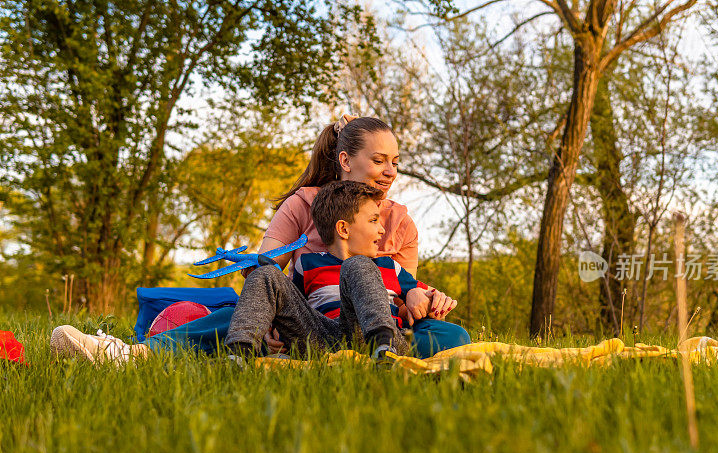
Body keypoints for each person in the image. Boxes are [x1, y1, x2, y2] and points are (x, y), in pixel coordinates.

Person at [50, 116, 470, 361]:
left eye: (395, 162)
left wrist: (421, 297)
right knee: (237, 311)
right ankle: (135, 354)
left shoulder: (399, 221)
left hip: (373, 324)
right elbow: (265, 270)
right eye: (379, 161)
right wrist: (268, 318)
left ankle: (386, 354)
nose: (391, 171)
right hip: (306, 323)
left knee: (452, 336)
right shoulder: (303, 204)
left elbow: (402, 290)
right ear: (345, 160)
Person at [225, 180, 460, 360]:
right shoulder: (307, 264)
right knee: (265, 273)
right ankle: (239, 353)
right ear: (343, 229)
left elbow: (425, 301)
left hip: (374, 337)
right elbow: (289, 304)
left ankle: (383, 350)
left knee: (358, 265)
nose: (381, 230)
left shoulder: (389, 266)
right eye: (373, 221)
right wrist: (272, 327)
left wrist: (426, 300)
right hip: (321, 337)